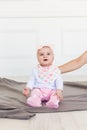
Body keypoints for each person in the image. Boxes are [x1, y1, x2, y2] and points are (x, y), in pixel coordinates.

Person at [23, 44, 63, 108]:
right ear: (37, 58)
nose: (45, 56)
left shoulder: (56, 69)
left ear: (53, 57)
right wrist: (28, 88)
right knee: (35, 93)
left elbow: (59, 80)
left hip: (51, 90)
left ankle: (53, 102)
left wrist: (59, 90)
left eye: (48, 54)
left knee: (56, 95)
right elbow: (32, 80)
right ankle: (34, 101)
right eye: (41, 54)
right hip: (39, 89)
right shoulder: (36, 69)